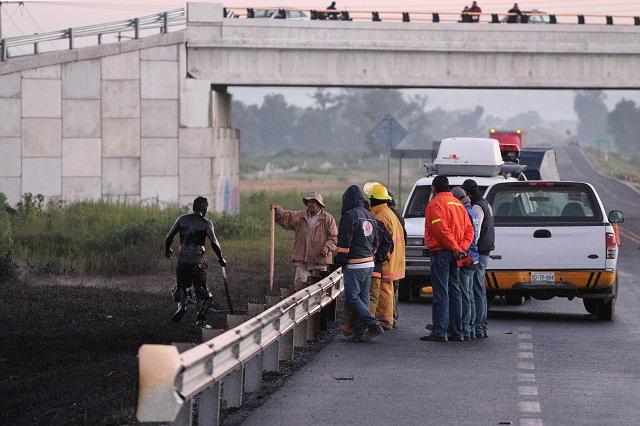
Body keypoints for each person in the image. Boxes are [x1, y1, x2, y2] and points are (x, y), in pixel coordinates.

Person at [421, 176, 474, 342]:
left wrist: (455, 247)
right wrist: (461, 248)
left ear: (434, 188)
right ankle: (457, 332)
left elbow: (440, 230)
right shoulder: (458, 204)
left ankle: (440, 331)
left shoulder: (435, 204)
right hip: (456, 254)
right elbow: (469, 230)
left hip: (442, 253)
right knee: (455, 291)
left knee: (441, 293)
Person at [165, 196, 227, 329]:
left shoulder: (182, 219)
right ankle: (200, 320)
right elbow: (214, 242)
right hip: (197, 260)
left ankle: (182, 306)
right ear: (204, 209)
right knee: (202, 291)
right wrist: (221, 258)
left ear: (194, 208)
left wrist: (167, 250)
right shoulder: (206, 223)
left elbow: (169, 237)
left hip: (182, 259)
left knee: (181, 285)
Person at [335, 185, 384, 342]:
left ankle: (373, 323)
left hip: (355, 264)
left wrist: (339, 261)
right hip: (369, 263)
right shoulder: (370, 215)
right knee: (364, 297)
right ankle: (360, 332)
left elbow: (344, 243)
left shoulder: (349, 216)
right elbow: (376, 241)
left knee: (352, 297)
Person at [272, 192, 338, 291]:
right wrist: (277, 211)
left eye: (313, 202)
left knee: (320, 292)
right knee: (300, 291)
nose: (310, 204)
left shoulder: (328, 219)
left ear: (319, 205)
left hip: (320, 263)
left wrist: (326, 248)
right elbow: (286, 217)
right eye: (309, 202)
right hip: (302, 263)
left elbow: (334, 238)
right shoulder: (300, 216)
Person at [368, 184, 405, 330]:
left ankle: (385, 320)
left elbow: (379, 241)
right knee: (388, 290)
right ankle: (389, 319)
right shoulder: (390, 213)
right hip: (395, 259)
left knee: (384, 291)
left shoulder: (381, 216)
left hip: (387, 260)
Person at [462, 179, 495, 339]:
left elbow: (475, 231)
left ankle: (476, 326)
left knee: (475, 290)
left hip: (479, 252)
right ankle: (481, 327)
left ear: (467, 193)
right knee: (479, 290)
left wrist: (470, 252)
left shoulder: (476, 207)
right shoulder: (486, 203)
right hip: (486, 251)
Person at [451, 186, 480, 340]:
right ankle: (472, 327)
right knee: (469, 293)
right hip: (474, 255)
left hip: (466, 256)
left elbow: (464, 236)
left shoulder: (464, 212)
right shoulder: (473, 211)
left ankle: (465, 327)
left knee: (463, 294)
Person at [387, 191, 406, 327]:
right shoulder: (397, 215)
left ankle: (390, 317)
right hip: (398, 258)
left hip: (391, 259)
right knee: (394, 288)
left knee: (389, 288)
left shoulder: (388, 215)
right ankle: (393, 316)